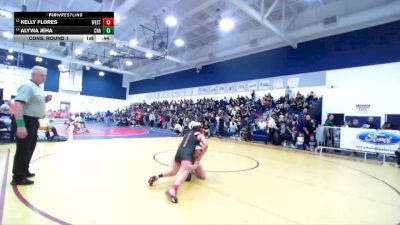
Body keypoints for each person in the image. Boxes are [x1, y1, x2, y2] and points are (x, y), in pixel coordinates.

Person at [148, 121, 209, 203]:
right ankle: (172, 190)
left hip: (178, 154)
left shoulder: (186, 134)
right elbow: (206, 145)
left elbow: (180, 144)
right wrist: (199, 157)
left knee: (173, 171)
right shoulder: (199, 135)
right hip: (187, 156)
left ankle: (157, 176)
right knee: (184, 173)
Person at [11, 66, 52, 186]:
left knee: (29, 148)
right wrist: (20, 125)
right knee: (22, 150)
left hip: (33, 122)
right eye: (42, 75)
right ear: (34, 75)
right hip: (26, 121)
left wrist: (45, 100)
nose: (44, 78)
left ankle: (24, 171)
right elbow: (18, 104)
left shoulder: (36, 88)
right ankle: (17, 177)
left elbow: (32, 102)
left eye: (45, 76)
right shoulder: (28, 86)